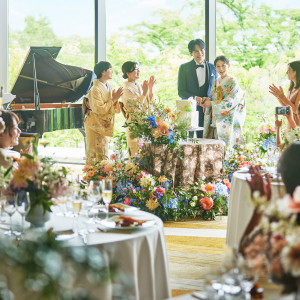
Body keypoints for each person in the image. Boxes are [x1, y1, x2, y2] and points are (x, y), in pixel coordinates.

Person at [83, 61, 123, 162]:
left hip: (101, 124)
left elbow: (110, 105)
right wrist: (113, 99)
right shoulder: (95, 89)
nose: (112, 71)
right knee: (94, 152)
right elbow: (99, 109)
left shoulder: (108, 85)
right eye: (110, 69)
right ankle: (92, 176)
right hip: (94, 124)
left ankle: (102, 175)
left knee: (103, 151)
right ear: (103, 72)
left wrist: (115, 99)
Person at [201, 55, 246, 146]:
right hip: (215, 119)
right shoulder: (215, 82)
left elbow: (231, 101)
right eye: (218, 66)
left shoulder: (232, 81)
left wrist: (212, 104)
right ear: (215, 68)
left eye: (223, 65)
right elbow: (215, 99)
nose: (221, 68)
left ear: (228, 66)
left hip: (227, 119)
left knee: (225, 149)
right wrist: (207, 101)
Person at [177, 38, 218, 138]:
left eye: (202, 49)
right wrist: (195, 98)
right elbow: (181, 91)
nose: (200, 53)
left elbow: (216, 91)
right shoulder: (184, 68)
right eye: (196, 51)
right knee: (187, 142)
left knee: (205, 142)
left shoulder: (213, 68)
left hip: (207, 112)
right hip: (189, 111)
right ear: (191, 53)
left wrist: (209, 100)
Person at [121, 61, 156, 157]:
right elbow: (133, 107)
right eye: (136, 69)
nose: (138, 71)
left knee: (145, 154)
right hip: (134, 124)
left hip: (144, 123)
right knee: (134, 153)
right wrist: (144, 93)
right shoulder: (126, 89)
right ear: (128, 73)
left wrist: (150, 89)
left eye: (138, 69)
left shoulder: (140, 85)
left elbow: (148, 103)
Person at [269, 60, 300, 132]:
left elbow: (295, 110)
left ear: (295, 72)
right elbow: (287, 108)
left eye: (288, 70)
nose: (286, 73)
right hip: (290, 124)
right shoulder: (291, 89)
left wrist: (283, 97)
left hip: (297, 125)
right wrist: (279, 97)